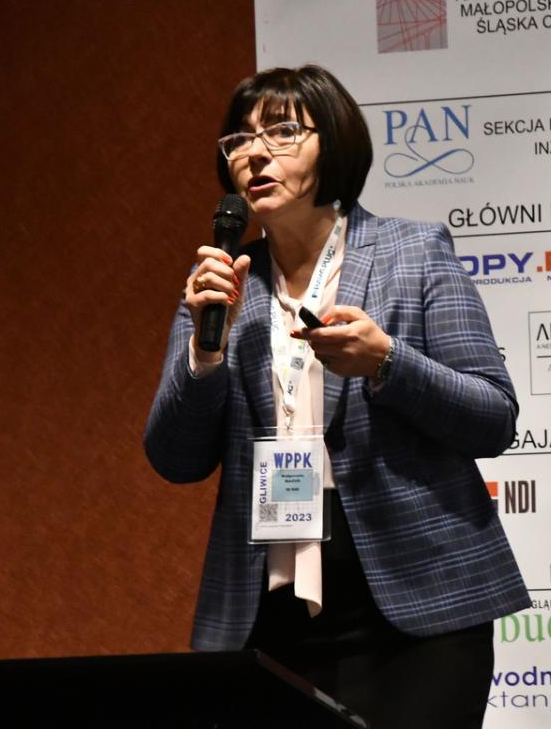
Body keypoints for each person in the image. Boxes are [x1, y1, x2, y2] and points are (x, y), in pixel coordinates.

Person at [144, 65, 528, 728]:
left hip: (418, 616)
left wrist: (388, 363)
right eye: (239, 140)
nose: (255, 153)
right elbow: (175, 459)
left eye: (282, 131)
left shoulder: (415, 253)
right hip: (268, 617)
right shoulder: (222, 284)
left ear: (336, 144)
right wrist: (205, 356)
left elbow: (492, 418)